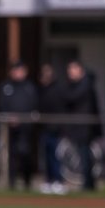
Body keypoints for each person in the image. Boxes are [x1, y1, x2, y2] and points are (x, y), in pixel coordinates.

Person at [0, 61, 38, 190]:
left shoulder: (30, 87)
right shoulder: (5, 86)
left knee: (26, 154)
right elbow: (0, 104)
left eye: (21, 70)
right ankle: (11, 183)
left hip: (26, 128)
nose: (18, 73)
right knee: (11, 155)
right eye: (16, 70)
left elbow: (34, 105)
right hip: (10, 129)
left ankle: (27, 182)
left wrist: (26, 118)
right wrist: (9, 117)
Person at [61, 60, 100, 191]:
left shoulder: (84, 86)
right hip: (78, 126)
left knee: (85, 155)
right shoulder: (76, 85)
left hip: (85, 127)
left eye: (73, 69)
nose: (70, 73)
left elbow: (71, 98)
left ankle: (88, 184)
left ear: (80, 70)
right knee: (83, 154)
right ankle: (89, 183)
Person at [37, 64, 67, 194]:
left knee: (55, 156)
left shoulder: (57, 89)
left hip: (55, 128)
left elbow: (59, 107)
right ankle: (49, 180)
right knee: (47, 156)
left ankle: (58, 181)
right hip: (45, 128)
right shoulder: (41, 90)